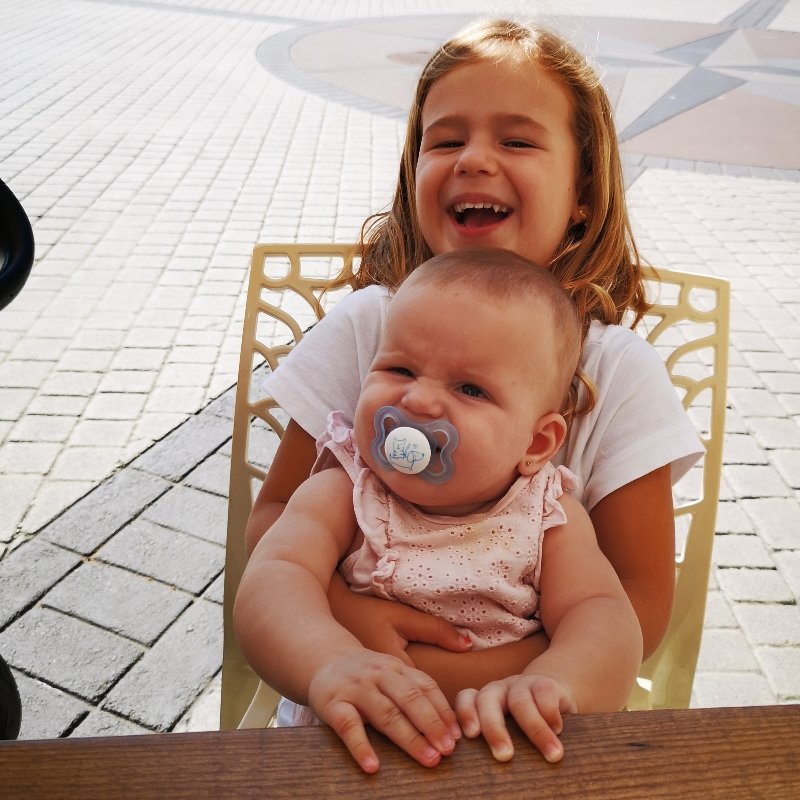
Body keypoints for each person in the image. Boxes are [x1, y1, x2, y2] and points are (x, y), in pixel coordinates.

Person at [242, 14, 701, 766]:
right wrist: (344, 629)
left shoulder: (611, 380)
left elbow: (636, 605)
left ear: (583, 193)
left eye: (517, 141)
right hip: (343, 733)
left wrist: (496, 680)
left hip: (515, 737)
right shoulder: (367, 335)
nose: (475, 160)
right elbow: (271, 536)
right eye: (445, 140)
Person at [235, 249, 643, 773]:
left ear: (536, 443)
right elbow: (273, 578)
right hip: (346, 751)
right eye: (400, 368)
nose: (419, 401)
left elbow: (603, 615)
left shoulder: (547, 518)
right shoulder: (345, 491)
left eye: (470, 389)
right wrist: (328, 661)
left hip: (499, 751)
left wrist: (557, 681)